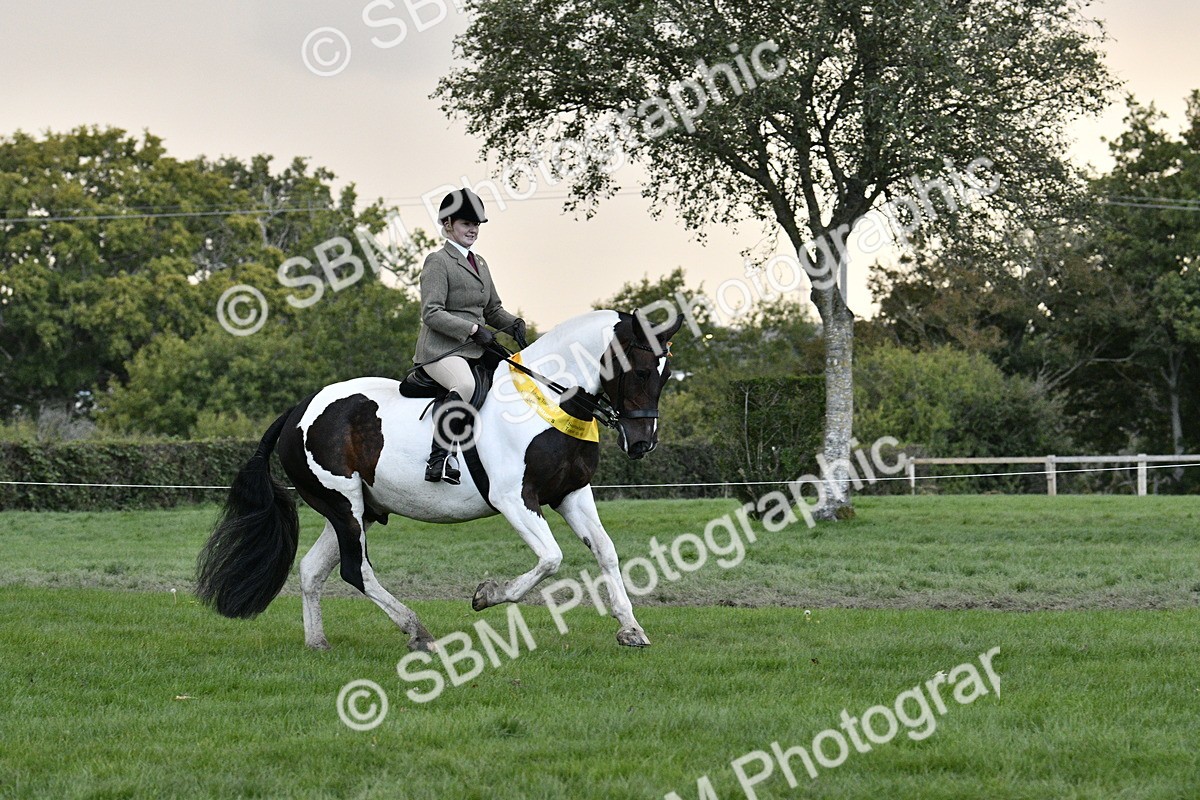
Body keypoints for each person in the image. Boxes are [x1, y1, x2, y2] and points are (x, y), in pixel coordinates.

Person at [413, 187, 527, 484]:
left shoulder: (481, 263)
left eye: (476, 225)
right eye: (466, 224)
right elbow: (432, 312)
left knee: (514, 375)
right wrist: (473, 330)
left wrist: (513, 323)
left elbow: (493, 309)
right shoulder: (438, 261)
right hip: (441, 351)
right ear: (448, 224)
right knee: (464, 384)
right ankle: (439, 457)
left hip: (475, 348)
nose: (473, 230)